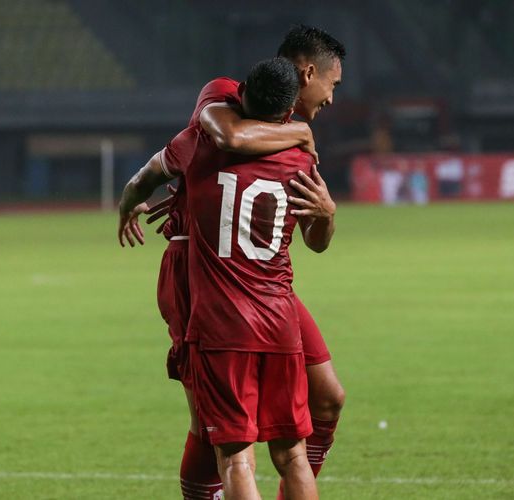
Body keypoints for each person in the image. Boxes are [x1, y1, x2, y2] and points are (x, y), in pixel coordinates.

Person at [120, 25, 346, 499]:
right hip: (195, 271)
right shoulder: (227, 99)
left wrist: (326, 213)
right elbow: (228, 136)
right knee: (214, 428)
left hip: (259, 286)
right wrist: (302, 133)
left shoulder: (289, 144)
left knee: (324, 397)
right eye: (332, 85)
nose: (331, 99)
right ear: (306, 74)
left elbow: (317, 239)